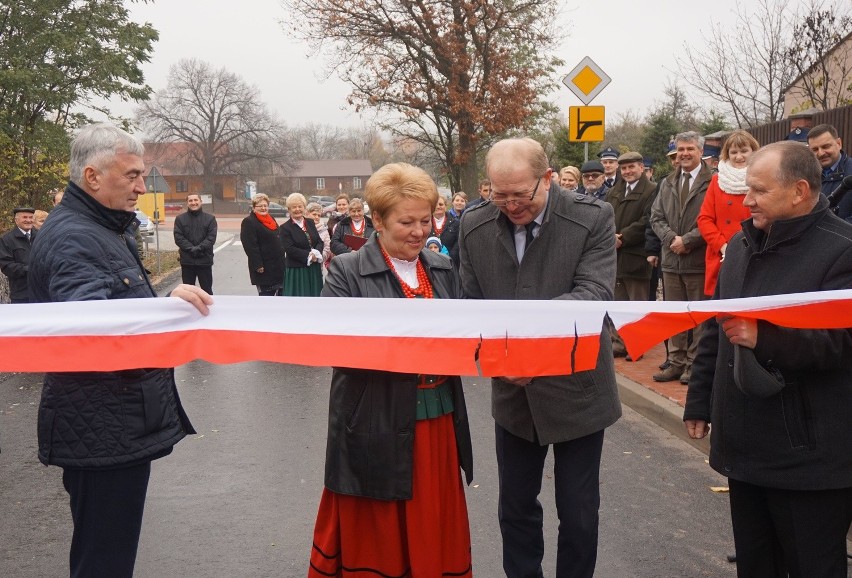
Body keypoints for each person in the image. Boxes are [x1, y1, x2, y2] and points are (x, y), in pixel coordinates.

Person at [27, 122, 212, 578]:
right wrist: (162, 308)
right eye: (131, 175)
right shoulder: (75, 238)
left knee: (104, 552)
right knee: (103, 560)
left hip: (111, 423)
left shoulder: (100, 228)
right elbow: (93, 330)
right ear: (93, 177)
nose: (140, 186)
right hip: (100, 423)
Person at [684, 141, 852, 577]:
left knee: (813, 566)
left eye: (759, 190)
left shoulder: (843, 251)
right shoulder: (741, 245)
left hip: (810, 456)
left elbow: (843, 342)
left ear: (799, 191)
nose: (747, 200)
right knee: (757, 565)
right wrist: (700, 399)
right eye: (746, 189)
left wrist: (766, 337)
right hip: (745, 446)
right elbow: (715, 327)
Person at [458, 137, 620, 578]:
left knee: (580, 514)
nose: (510, 206)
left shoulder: (592, 218)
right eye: (498, 194)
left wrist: (532, 352)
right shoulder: (473, 225)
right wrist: (500, 357)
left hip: (578, 391)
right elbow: (470, 305)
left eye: (521, 194)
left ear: (548, 179)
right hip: (513, 397)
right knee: (515, 511)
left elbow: (594, 294)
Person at [308, 162, 473, 577]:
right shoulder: (346, 271)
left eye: (424, 219)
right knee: (380, 527)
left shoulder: (441, 267)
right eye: (406, 222)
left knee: (431, 515)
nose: (419, 231)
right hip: (373, 421)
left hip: (437, 417)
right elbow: (336, 349)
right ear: (377, 220)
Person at [650, 131, 712, 384]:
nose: (684, 154)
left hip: (697, 261)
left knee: (697, 318)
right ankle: (675, 362)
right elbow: (656, 217)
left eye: (690, 149)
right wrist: (671, 240)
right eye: (680, 149)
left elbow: (712, 219)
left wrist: (687, 241)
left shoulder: (713, 182)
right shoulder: (667, 182)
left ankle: (693, 365)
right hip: (671, 261)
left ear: (700, 151)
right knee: (675, 316)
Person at [604, 151, 658, 358]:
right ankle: (619, 342)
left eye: (631, 167)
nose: (627, 171)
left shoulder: (651, 190)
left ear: (641, 167)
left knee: (636, 305)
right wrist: (611, 236)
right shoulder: (615, 191)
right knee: (618, 303)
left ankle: (637, 345)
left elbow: (648, 219)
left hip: (637, 254)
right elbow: (606, 214)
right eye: (624, 168)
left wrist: (623, 237)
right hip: (615, 255)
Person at [697, 129, 760, 297]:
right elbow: (704, 219)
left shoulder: (763, 178)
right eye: (734, 152)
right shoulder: (718, 180)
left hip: (754, 252)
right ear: (727, 154)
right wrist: (724, 247)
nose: (739, 156)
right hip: (721, 254)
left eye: (744, 151)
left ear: (753, 151)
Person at [240, 193, 286, 296]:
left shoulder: (271, 219)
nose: (263, 208)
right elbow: (250, 246)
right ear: (254, 207)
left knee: (281, 297)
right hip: (264, 268)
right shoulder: (249, 222)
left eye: (265, 205)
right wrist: (258, 264)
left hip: (278, 266)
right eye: (260, 206)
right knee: (266, 298)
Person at [280, 192, 324, 297]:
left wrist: (316, 253)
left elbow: (319, 241)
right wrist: (308, 256)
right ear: (289, 210)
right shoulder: (285, 228)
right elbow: (289, 249)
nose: (297, 209)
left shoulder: (310, 222)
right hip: (297, 270)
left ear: (304, 208)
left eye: (300, 206)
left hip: (313, 269)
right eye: (294, 207)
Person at [173, 193, 218, 294]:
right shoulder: (180, 219)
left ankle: (208, 310)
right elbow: (178, 238)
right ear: (187, 203)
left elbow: (211, 238)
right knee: (188, 293)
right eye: (190, 201)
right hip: (187, 262)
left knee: (207, 292)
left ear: (201, 202)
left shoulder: (210, 219)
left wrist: (199, 248)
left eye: (196, 200)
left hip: (204, 261)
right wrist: (191, 249)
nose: (193, 203)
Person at [806, 123, 852, 222]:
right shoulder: (806, 176)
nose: (821, 153)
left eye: (826, 146)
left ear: (839, 144)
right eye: (815, 149)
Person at [0, 207, 37, 303]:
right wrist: (29, 269)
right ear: (16, 220)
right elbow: (7, 266)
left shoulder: (41, 236)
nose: (28, 220)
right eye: (24, 217)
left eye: (31, 217)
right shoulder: (7, 240)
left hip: (41, 292)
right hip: (21, 294)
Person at [306, 201, 332, 266]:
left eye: (319, 215)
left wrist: (316, 257)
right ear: (307, 214)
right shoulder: (302, 228)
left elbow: (327, 249)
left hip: (317, 266)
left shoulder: (324, 230)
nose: (317, 217)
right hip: (302, 265)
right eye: (314, 214)